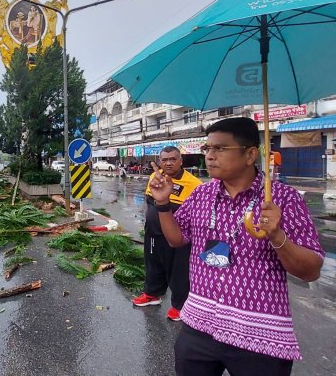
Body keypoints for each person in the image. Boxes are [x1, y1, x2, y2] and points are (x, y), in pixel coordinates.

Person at [147, 117, 324, 376]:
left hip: (259, 336)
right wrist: (163, 204)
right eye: (207, 149)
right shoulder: (201, 195)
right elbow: (177, 239)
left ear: (250, 154)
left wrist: (276, 235)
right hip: (199, 327)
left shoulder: (282, 200)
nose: (210, 156)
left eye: (220, 149)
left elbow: (311, 271)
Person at [133, 146, 201, 322]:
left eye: (172, 159)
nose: (168, 163)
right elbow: (150, 202)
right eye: (165, 160)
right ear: (160, 161)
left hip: (178, 238)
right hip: (154, 234)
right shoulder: (154, 178)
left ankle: (180, 305)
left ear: (180, 161)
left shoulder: (194, 185)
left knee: (179, 271)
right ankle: (152, 294)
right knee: (153, 264)